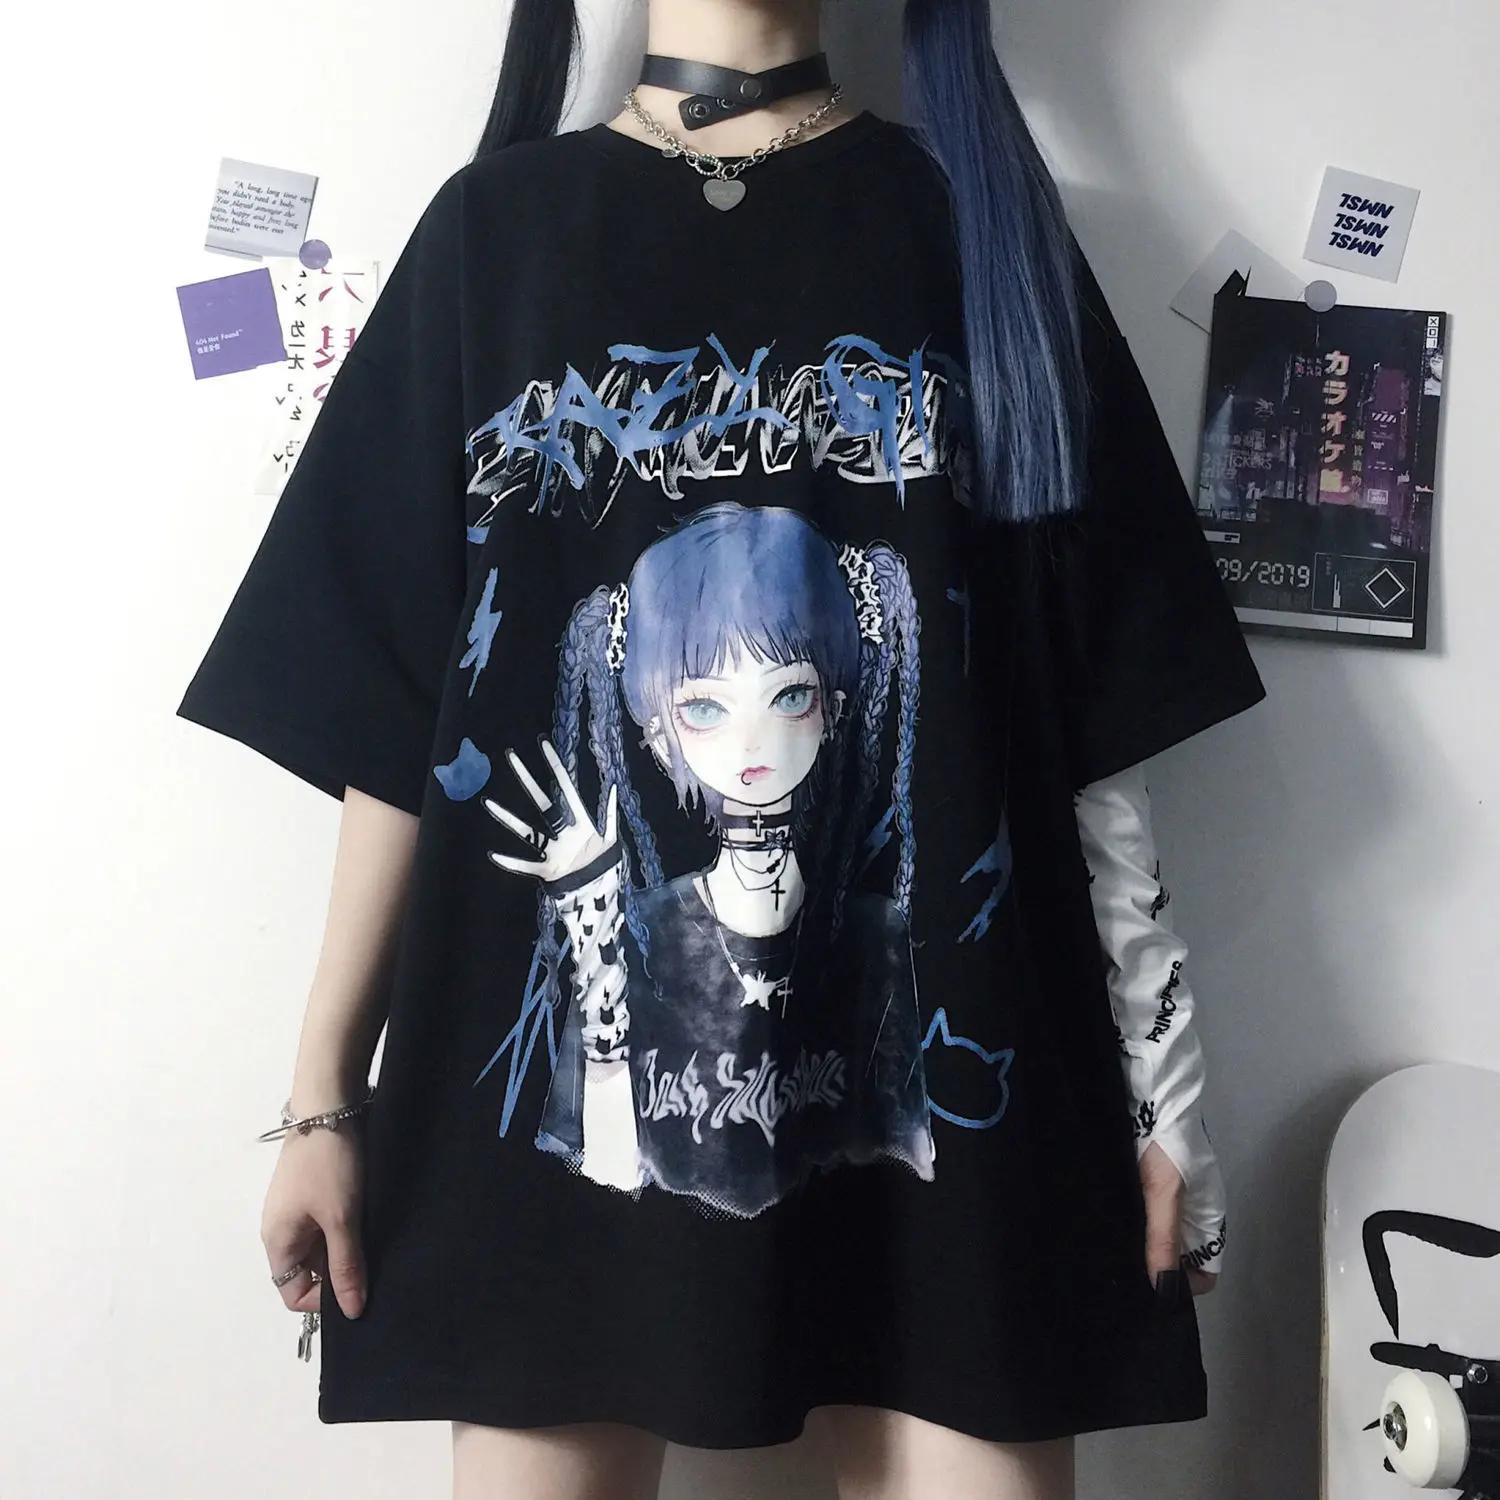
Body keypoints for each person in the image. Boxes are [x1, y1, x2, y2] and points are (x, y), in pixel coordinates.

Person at [177, 0, 1266, 1495]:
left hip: (954, 1096)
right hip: (556, 1127)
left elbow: (1090, 715)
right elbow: (398, 717)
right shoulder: (496, 234)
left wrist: (1167, 1095)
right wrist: (320, 1097)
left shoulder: (977, 230)